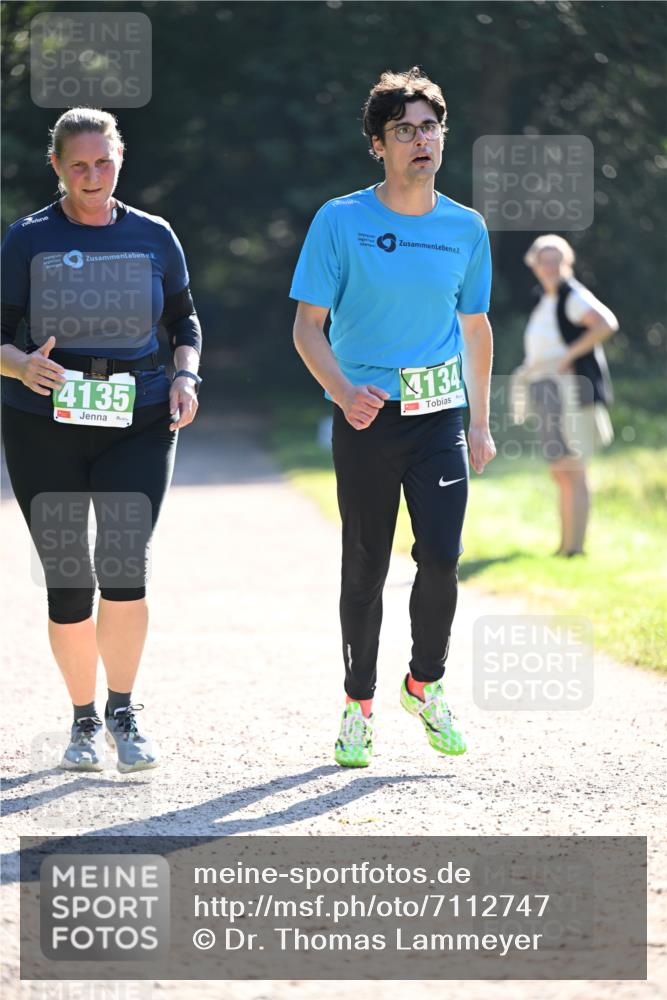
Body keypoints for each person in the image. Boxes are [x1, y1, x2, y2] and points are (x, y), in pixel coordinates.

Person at [290, 67, 495, 767]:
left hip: (438, 417)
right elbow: (307, 327)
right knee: (364, 567)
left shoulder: (465, 227)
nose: (420, 140)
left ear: (443, 136)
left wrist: (479, 422)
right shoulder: (340, 220)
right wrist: (343, 391)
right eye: (403, 130)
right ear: (378, 144)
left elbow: (476, 328)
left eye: (429, 128)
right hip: (366, 420)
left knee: (440, 556)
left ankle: (424, 683)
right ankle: (358, 705)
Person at [1, 108, 202, 772]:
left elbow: (185, 321)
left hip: (137, 417)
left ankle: (123, 709)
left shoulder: (154, 234)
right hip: (43, 423)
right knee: (68, 579)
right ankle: (83, 720)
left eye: (104, 162)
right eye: (79, 165)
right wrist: (20, 365)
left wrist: (185, 376)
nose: (93, 176)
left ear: (120, 158)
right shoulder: (28, 239)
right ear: (56, 166)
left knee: (123, 567)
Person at [515, 234, 617, 557]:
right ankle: (564, 546)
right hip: (547, 389)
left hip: (570, 390)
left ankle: (575, 549)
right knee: (560, 471)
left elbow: (606, 324)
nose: (550, 266)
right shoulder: (544, 298)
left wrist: (569, 355)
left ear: (568, 262)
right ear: (534, 265)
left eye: (556, 260)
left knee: (574, 468)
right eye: (544, 261)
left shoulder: (573, 296)